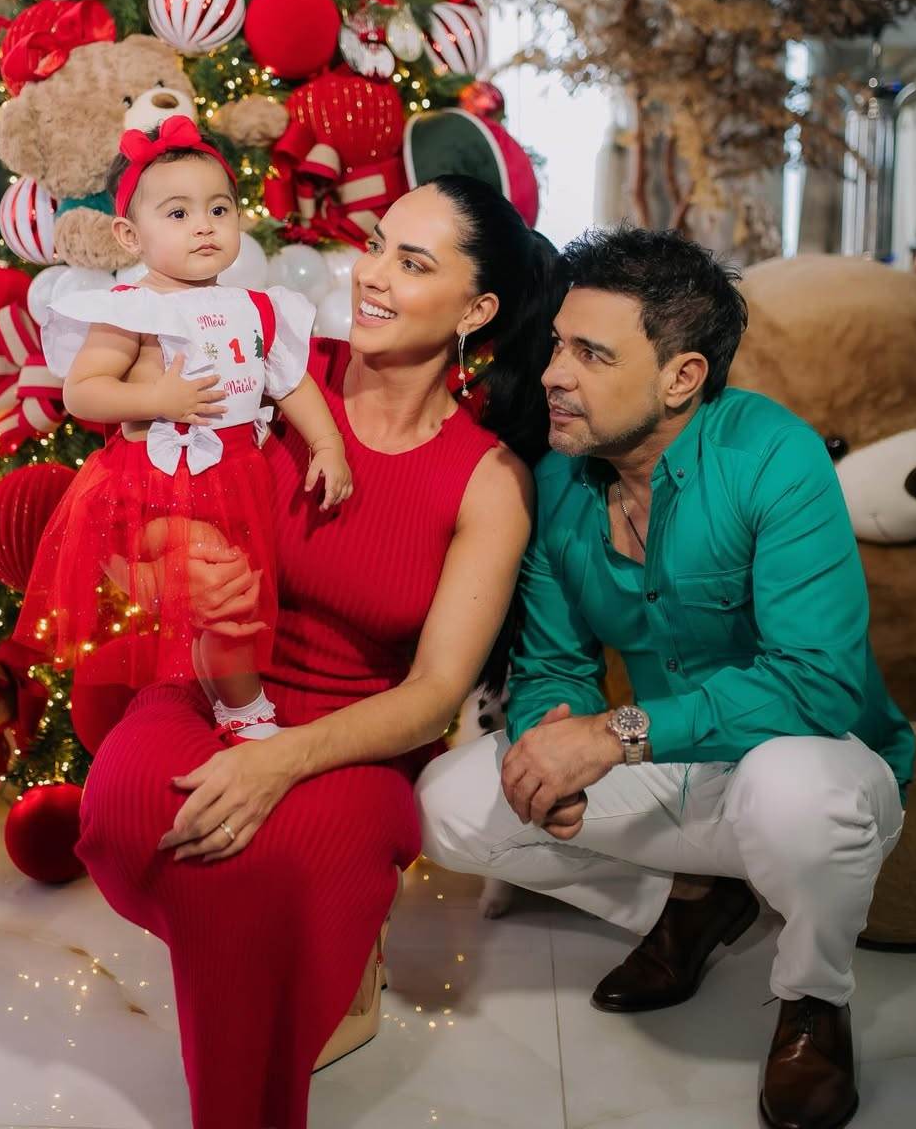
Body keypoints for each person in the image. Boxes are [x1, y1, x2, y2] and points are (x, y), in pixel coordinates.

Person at [70, 176, 561, 1128]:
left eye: (411, 263)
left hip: (358, 733)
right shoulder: (269, 363)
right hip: (214, 686)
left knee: (262, 866)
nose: (370, 274)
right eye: (375, 244)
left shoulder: (489, 478)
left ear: (477, 311)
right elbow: (128, 511)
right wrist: (173, 566)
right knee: (134, 805)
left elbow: (435, 695)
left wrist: (279, 762)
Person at [417, 225, 915, 1129]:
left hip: (812, 755)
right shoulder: (559, 481)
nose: (554, 373)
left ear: (682, 377)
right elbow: (554, 665)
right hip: (676, 761)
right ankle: (694, 900)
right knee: (449, 805)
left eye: (591, 354)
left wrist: (611, 736)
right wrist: (551, 739)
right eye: (558, 345)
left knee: (794, 794)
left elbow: (817, 685)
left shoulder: (774, 456)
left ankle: (813, 999)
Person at [17, 115, 352, 741]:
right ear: (130, 234)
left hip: (236, 478)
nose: (204, 225)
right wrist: (157, 397)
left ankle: (226, 690)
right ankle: (243, 707)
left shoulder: (256, 308)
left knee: (237, 594)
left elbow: (291, 383)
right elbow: (81, 389)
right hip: (158, 485)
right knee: (219, 583)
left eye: (219, 209)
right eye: (177, 213)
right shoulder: (132, 310)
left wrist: (327, 443)